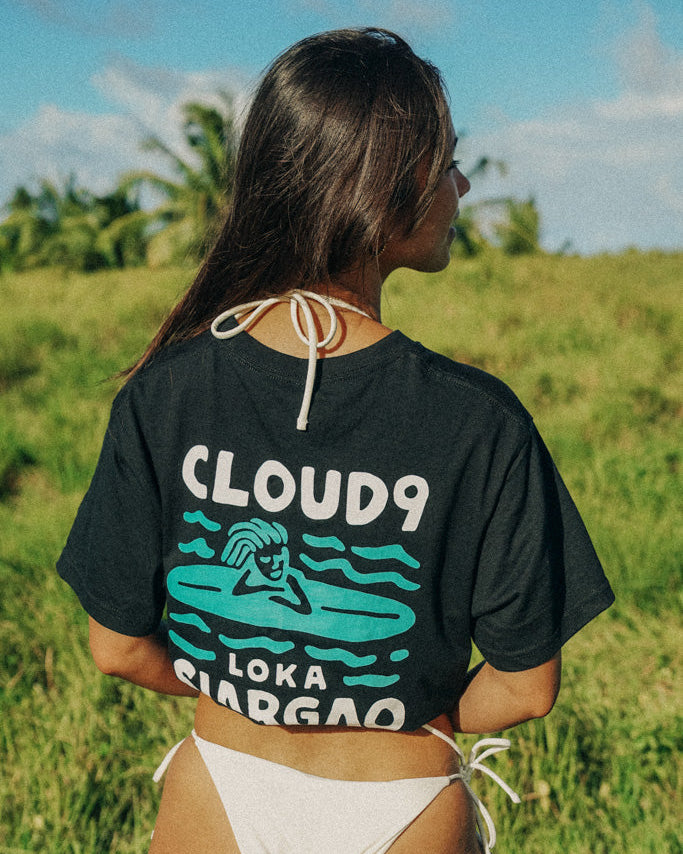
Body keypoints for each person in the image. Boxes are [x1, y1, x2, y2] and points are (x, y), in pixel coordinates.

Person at [57, 28, 614, 854]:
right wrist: (394, 703)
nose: (461, 185)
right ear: (381, 187)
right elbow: (527, 688)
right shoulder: (480, 421)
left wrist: (254, 691)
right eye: (446, 162)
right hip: (405, 804)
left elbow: (115, 648)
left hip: (217, 787)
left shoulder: (164, 391)